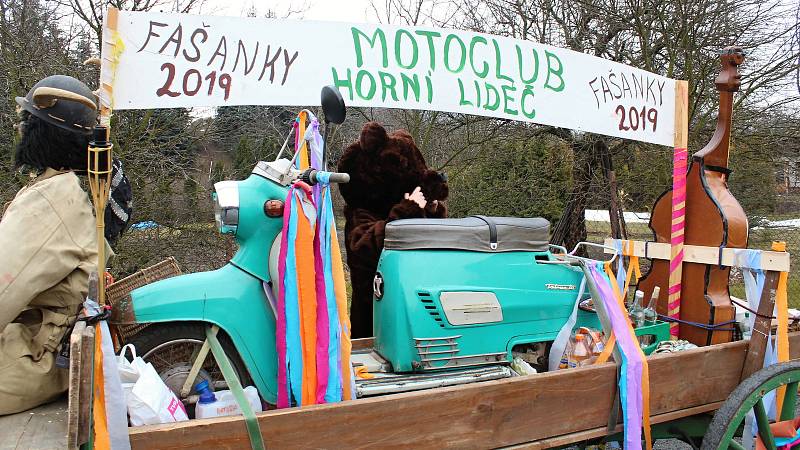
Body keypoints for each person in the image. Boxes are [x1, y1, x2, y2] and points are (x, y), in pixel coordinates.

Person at [0, 75, 130, 414]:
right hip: (50, 354)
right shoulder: (71, 190)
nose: (19, 128)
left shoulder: (52, 200)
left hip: (33, 357)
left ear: (41, 133)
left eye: (26, 121)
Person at [337, 122, 449, 338]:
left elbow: (432, 239)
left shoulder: (399, 205)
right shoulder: (360, 213)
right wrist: (410, 209)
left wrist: (431, 210)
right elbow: (366, 247)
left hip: (413, 305)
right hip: (376, 318)